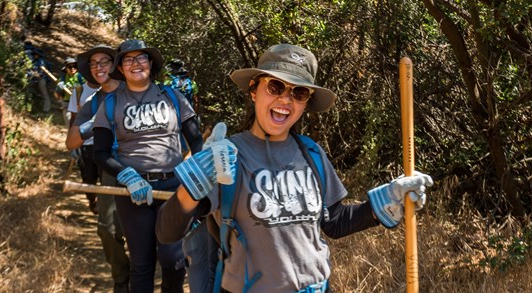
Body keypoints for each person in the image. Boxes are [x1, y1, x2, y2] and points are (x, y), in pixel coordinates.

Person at [156, 44, 434, 292]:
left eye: (298, 93)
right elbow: (166, 233)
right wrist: (192, 187)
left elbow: (334, 222)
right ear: (254, 90)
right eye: (275, 87)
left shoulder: (311, 153)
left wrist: (387, 201)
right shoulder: (226, 157)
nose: (286, 100)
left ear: (305, 103)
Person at [92, 39, 204, 293]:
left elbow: (196, 139)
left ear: (151, 63)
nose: (135, 64)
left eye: (141, 58)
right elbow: (99, 152)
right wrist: (126, 175)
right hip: (133, 192)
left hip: (174, 189)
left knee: (173, 261)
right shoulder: (110, 104)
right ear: (120, 68)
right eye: (128, 60)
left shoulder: (173, 97)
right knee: (142, 264)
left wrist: (199, 171)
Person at [65, 44, 131, 293]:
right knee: (106, 228)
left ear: (114, 65)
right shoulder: (93, 101)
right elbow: (71, 141)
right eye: (93, 64)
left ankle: (141, 272)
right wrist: (95, 121)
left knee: (149, 228)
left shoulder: (133, 89)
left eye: (104, 61)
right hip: (111, 168)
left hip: (147, 166)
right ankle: (121, 277)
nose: (99, 67)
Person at [67, 60, 101, 214]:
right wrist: (72, 143)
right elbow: (74, 118)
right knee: (88, 176)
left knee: (106, 176)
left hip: (105, 143)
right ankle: (92, 200)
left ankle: (103, 203)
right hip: (85, 143)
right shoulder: (79, 91)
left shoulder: (108, 90)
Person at [55, 57, 84, 126]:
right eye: (70, 67)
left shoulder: (80, 76)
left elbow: (87, 87)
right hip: (67, 104)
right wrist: (59, 89)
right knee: (70, 123)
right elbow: (56, 95)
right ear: (66, 68)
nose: (72, 68)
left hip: (80, 104)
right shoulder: (63, 78)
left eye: (74, 66)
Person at [28, 48, 52, 113]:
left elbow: (41, 73)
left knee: (44, 94)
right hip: (34, 79)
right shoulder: (33, 61)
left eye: (36, 54)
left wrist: (34, 74)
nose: (35, 55)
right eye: (34, 54)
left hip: (41, 79)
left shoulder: (41, 61)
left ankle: (46, 109)